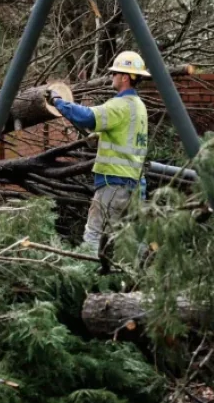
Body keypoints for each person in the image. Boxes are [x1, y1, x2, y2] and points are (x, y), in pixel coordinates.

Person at [47, 51, 150, 255]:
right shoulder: (139, 107)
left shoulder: (120, 105)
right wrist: (98, 134)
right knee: (131, 241)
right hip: (135, 183)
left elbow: (87, 117)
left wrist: (59, 101)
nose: (112, 76)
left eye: (115, 73)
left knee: (93, 235)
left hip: (114, 182)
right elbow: (119, 133)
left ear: (125, 77)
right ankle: (142, 273)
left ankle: (88, 273)